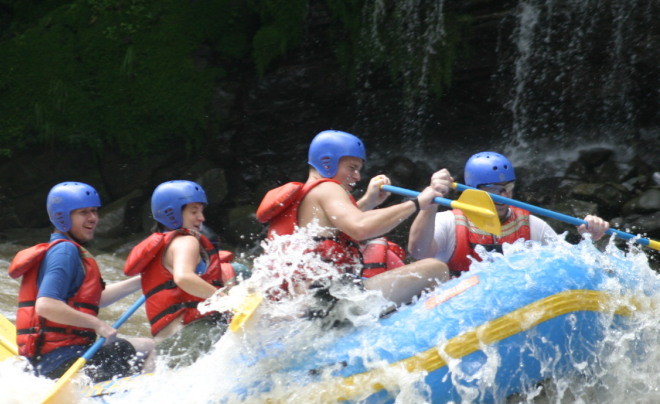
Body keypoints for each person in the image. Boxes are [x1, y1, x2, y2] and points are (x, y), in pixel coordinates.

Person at [256, 129, 451, 306]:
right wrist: (418, 202)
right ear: (327, 162)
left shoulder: (309, 195)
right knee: (436, 268)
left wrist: (368, 201)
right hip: (330, 301)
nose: (357, 177)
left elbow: (335, 226)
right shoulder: (327, 187)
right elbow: (360, 227)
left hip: (310, 301)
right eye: (352, 167)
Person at [8, 181, 155, 382]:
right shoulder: (64, 251)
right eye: (83, 212)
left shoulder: (66, 250)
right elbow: (46, 305)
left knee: (137, 345)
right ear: (62, 217)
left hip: (52, 359)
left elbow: (97, 299)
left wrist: (143, 280)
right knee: (149, 347)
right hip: (63, 361)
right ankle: (136, 396)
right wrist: (98, 324)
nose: (93, 218)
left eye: (94, 211)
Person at [407, 151, 610, 274]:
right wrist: (431, 203)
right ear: (473, 190)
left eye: (508, 186)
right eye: (494, 189)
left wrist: (589, 240)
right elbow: (418, 252)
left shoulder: (531, 225)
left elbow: (571, 266)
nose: (504, 194)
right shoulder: (448, 221)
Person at [123, 181, 237, 364]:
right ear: (172, 213)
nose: (201, 218)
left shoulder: (162, 247)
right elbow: (183, 277)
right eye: (194, 211)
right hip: (192, 336)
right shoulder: (186, 241)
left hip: (169, 348)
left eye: (201, 211)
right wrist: (227, 300)